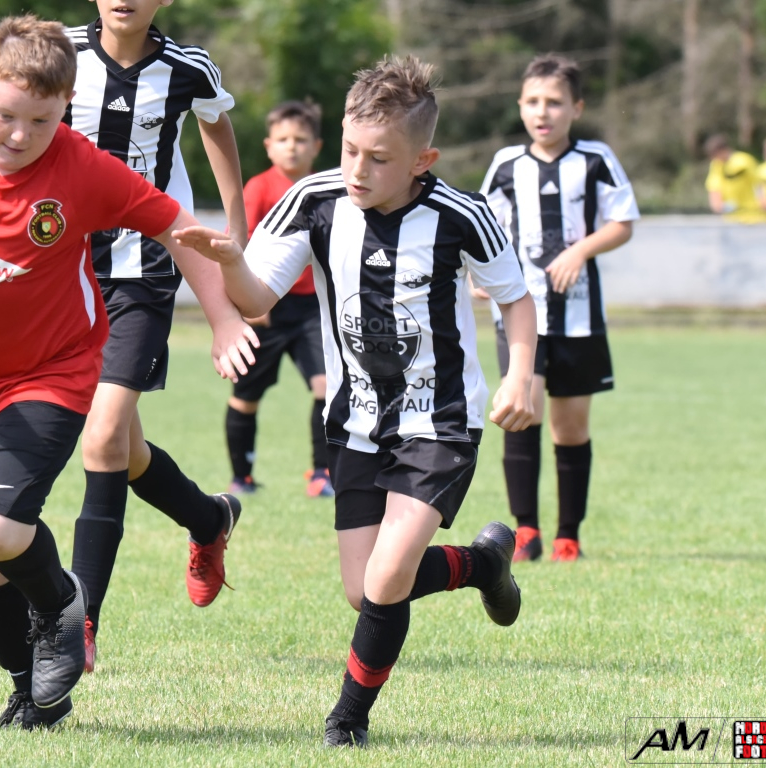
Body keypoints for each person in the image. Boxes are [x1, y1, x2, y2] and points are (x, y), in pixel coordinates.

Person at [0, 14, 255, 732]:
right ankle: (33, 695)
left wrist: (223, 316)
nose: (19, 135)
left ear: (65, 107)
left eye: (40, 121)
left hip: (52, 372)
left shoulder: (80, 166)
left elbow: (176, 228)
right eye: (5, 115)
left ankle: (64, 602)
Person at [175, 54, 537, 748]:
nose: (357, 170)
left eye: (379, 158)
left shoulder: (463, 215)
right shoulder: (312, 200)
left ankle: (347, 720)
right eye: (349, 150)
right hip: (355, 423)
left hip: (441, 422)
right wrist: (228, 263)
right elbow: (257, 299)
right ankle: (482, 565)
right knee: (363, 588)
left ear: (422, 160)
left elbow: (516, 300)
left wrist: (519, 373)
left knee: (387, 576)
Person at [63, 0, 253, 674]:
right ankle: (208, 519)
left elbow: (217, 123)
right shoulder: (56, 53)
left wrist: (235, 225)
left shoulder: (186, 68)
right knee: (127, 449)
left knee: (102, 440)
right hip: (63, 275)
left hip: (143, 273)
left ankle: (80, 623)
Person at [479, 54, 639, 563]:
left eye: (554, 102)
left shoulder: (595, 159)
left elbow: (623, 222)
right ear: (519, 106)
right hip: (520, 314)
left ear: (577, 108)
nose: (542, 112)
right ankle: (526, 531)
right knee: (521, 412)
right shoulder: (506, 164)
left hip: (579, 315)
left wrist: (579, 251)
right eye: (532, 101)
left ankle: (569, 535)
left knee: (570, 427)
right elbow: (484, 230)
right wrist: (481, 278)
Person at [224, 100, 334, 498]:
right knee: (246, 396)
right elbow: (242, 242)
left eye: (301, 140)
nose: (292, 146)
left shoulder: (324, 190)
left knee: (327, 387)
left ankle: (322, 473)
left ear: (316, 147)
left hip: (311, 307)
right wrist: (249, 303)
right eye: (283, 139)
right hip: (266, 306)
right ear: (269, 146)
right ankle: (242, 477)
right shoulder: (259, 188)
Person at [704, 134, 766, 222]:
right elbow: (714, 188)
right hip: (730, 218)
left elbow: (759, 183)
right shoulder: (716, 165)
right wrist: (720, 206)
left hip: (752, 216)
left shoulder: (744, 161)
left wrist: (763, 202)